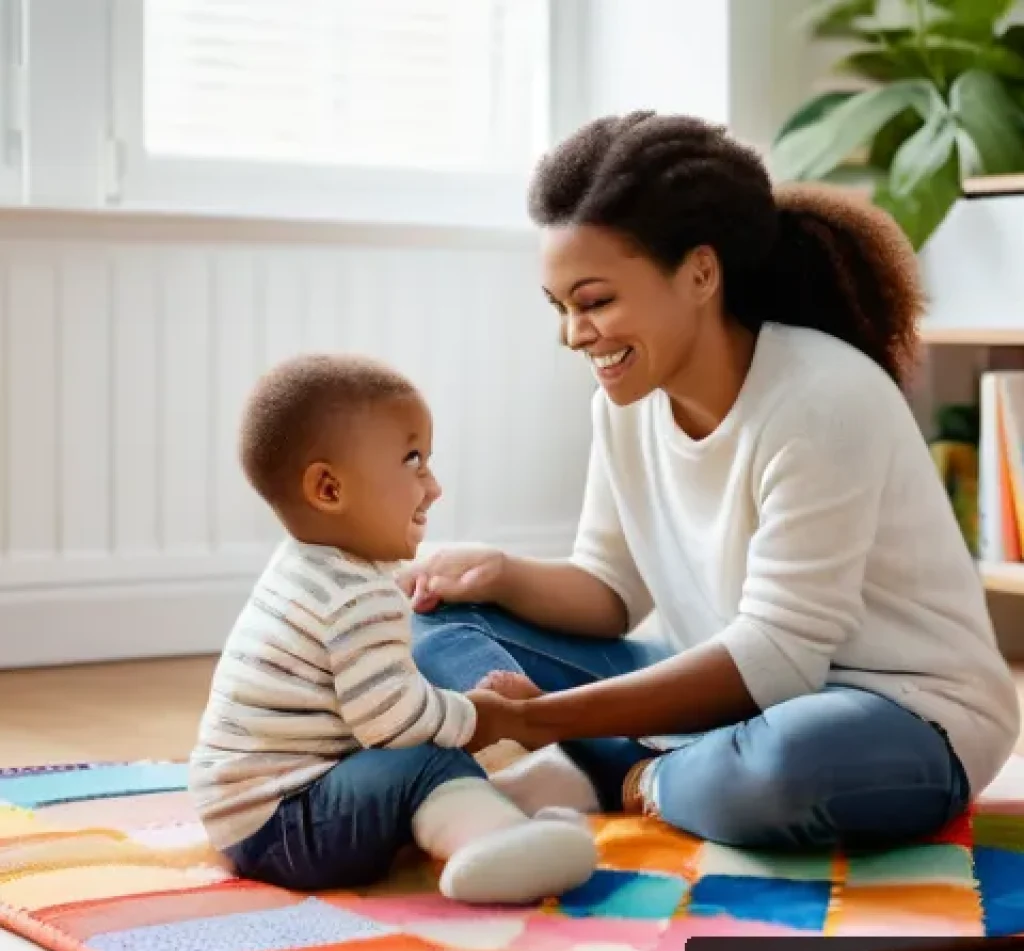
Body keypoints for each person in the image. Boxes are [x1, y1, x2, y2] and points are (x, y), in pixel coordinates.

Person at [401, 111, 1020, 851]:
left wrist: (544, 718)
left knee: (788, 764)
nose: (574, 333)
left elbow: (777, 658)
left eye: (595, 301)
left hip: (899, 715)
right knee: (444, 623)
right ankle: (647, 775)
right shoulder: (623, 411)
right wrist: (500, 574)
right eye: (561, 307)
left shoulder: (823, 399)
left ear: (700, 273)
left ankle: (624, 778)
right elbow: (609, 593)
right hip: (737, 699)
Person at [188, 353, 597, 903]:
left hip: (248, 823)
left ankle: (496, 804)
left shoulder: (310, 568)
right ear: (330, 490)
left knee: (425, 754)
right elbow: (395, 725)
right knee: (423, 755)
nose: (434, 488)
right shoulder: (357, 597)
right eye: (413, 462)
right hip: (288, 830)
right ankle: (497, 842)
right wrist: (485, 715)